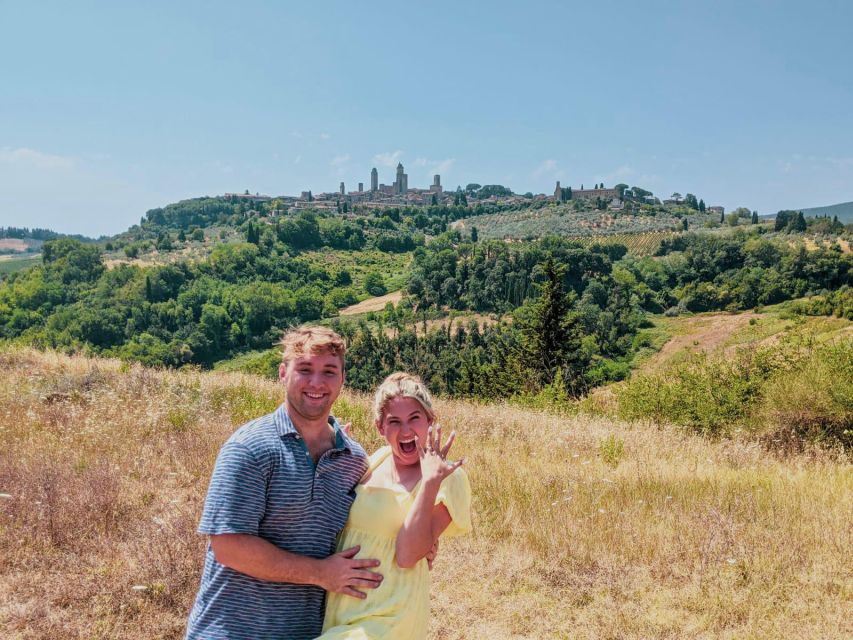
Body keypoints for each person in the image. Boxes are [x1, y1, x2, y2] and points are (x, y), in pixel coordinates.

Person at [185, 326, 384, 640]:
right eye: (305, 369)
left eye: (329, 371)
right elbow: (228, 547)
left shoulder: (353, 459)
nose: (317, 383)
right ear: (282, 373)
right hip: (230, 632)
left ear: (342, 379)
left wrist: (422, 537)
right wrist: (321, 573)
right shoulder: (250, 448)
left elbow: (370, 522)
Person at [320, 372, 472, 639]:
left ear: (429, 420)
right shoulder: (377, 459)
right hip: (342, 609)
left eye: (414, 418)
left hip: (391, 615)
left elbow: (407, 554)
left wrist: (430, 482)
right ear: (380, 427)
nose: (405, 431)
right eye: (394, 421)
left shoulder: (449, 477)